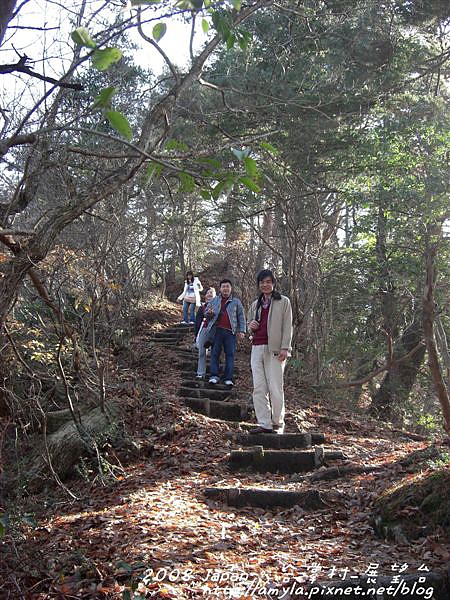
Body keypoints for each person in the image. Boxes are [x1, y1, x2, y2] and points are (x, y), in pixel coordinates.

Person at [247, 269, 293, 434]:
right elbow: (249, 325)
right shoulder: (255, 304)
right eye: (262, 282)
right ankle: (264, 423)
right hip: (257, 348)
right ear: (259, 285)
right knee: (259, 387)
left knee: (275, 387)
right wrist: (250, 326)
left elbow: (288, 326)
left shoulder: (284, 302)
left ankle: (277, 424)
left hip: (275, 349)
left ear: (273, 283)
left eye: (268, 282)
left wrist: (285, 348)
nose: (265, 285)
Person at [204, 279, 246, 386]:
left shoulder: (236, 302)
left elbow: (241, 316)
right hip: (216, 330)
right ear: (220, 288)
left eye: (228, 286)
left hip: (230, 332)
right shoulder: (214, 300)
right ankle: (214, 375)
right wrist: (209, 313)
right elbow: (206, 313)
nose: (225, 288)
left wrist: (242, 330)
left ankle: (228, 378)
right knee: (215, 353)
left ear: (231, 289)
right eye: (223, 286)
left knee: (230, 354)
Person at [194, 287, 216, 379]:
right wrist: (196, 335)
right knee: (202, 352)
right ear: (205, 296)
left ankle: (214, 374)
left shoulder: (218, 306)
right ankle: (200, 372)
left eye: (212, 293)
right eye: (208, 293)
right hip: (204, 329)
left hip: (215, 331)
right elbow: (198, 322)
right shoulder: (202, 307)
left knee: (215, 353)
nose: (209, 294)